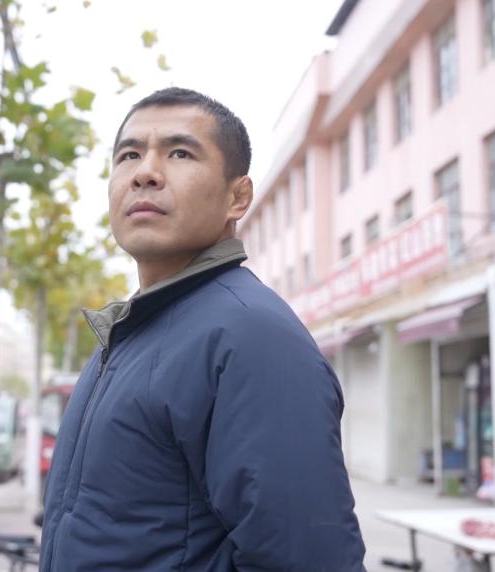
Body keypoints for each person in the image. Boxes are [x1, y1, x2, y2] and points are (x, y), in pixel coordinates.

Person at [40, 87, 366, 571]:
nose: (145, 172)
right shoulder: (129, 335)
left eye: (179, 153)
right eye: (129, 155)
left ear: (238, 197)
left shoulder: (251, 337)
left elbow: (308, 559)